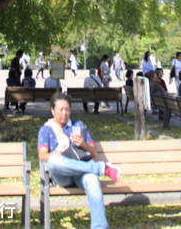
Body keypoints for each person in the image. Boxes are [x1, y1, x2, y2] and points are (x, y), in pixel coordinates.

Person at [37, 93, 121, 229]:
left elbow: (93, 153)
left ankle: (99, 226)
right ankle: (100, 168)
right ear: (52, 110)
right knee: (53, 161)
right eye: (61, 109)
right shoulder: (46, 129)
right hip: (62, 176)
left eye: (67, 109)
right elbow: (42, 156)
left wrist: (83, 144)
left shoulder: (78, 125)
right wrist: (55, 154)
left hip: (81, 174)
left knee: (92, 180)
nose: (64, 113)